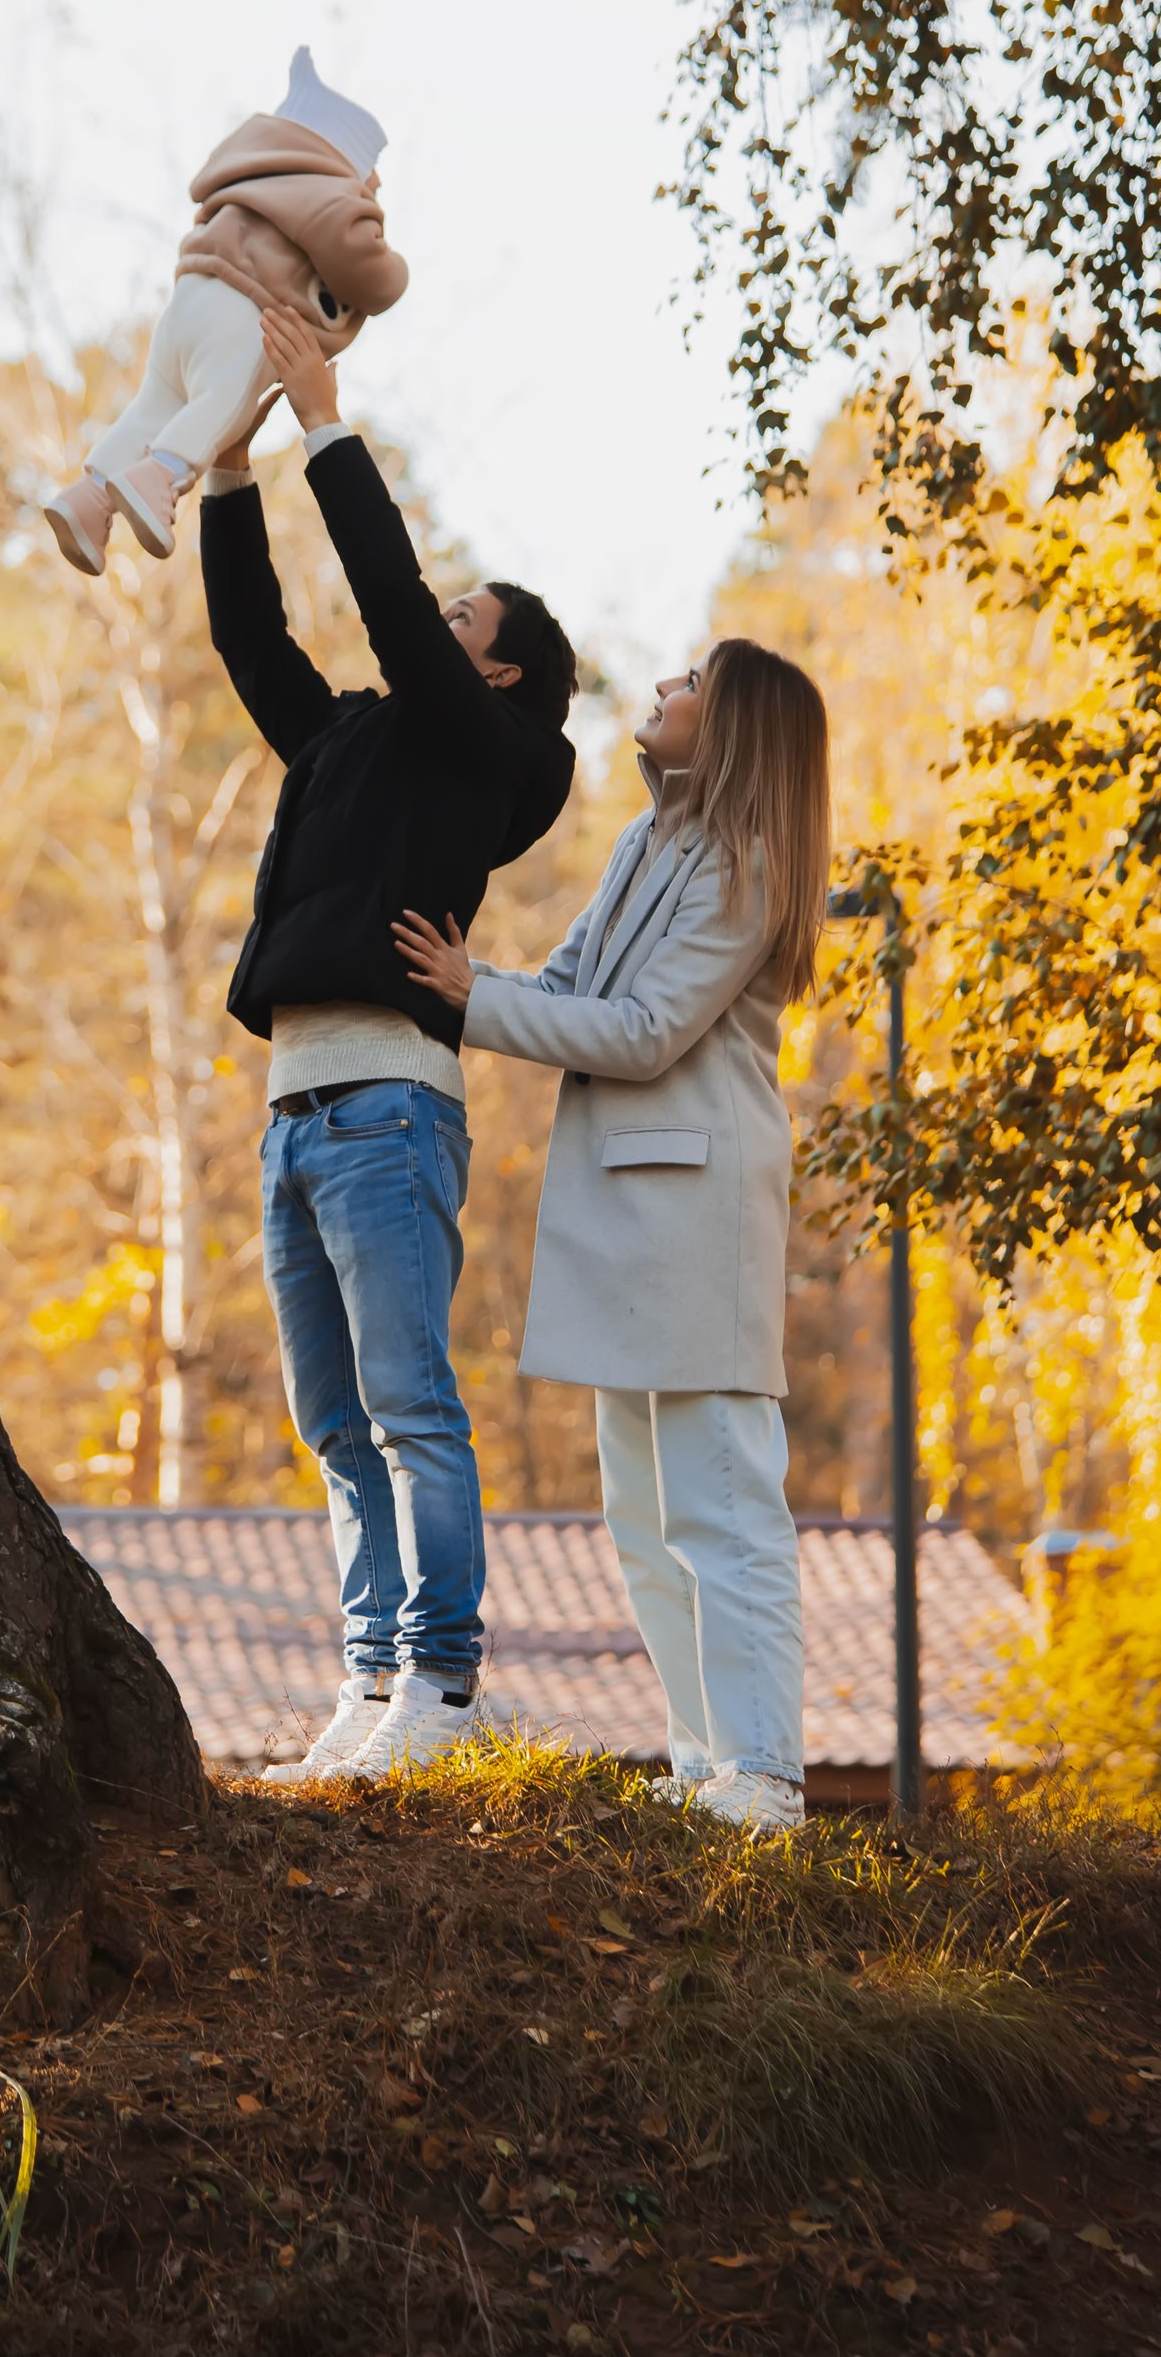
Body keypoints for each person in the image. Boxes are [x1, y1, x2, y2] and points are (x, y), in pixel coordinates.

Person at [203, 301, 577, 1783]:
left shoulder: (506, 756)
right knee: (333, 1426)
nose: (444, 627)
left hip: (391, 1109)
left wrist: (326, 422)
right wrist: (233, 473)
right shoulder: (354, 740)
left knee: (411, 1407)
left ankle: (445, 1681)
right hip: (296, 1112)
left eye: (466, 622)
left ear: (496, 672)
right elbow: (253, 636)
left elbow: (388, 606)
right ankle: (371, 1687)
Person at [393, 637, 833, 1831]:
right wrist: (477, 981)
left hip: (694, 1213)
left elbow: (639, 1031)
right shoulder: (645, 844)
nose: (665, 687)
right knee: (643, 1517)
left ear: (732, 723)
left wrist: (470, 997)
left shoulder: (745, 863)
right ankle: (704, 1769)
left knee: (721, 1503)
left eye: (689, 680)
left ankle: (764, 1775)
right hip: (619, 1211)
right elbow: (570, 978)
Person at [44, 49, 408, 576]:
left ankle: (91, 494)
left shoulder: (244, 169)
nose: (375, 184)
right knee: (225, 400)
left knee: (156, 402)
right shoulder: (328, 188)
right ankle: (163, 474)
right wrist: (393, 262)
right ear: (343, 152)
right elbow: (370, 274)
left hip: (187, 301)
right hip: (245, 310)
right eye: (370, 170)